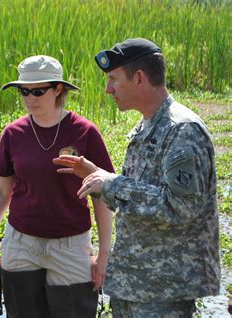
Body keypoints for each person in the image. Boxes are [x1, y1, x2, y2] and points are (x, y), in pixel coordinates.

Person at [54, 38, 221, 317]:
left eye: (113, 79)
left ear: (140, 78)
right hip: (134, 285)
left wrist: (111, 184)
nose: (108, 89)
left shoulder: (182, 130)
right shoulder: (146, 126)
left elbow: (182, 206)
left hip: (164, 290)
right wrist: (98, 177)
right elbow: (144, 193)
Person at [0, 55, 115, 317]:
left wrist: (103, 255)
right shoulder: (13, 134)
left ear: (58, 89)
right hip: (21, 244)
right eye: (24, 91)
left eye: (38, 91)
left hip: (71, 245)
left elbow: (102, 196)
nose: (30, 98)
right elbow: (1, 191)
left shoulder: (85, 132)